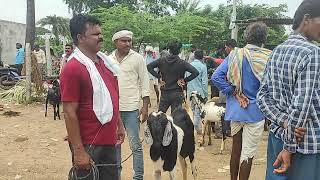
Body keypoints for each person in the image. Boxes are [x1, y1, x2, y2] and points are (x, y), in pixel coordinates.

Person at [257, 1, 320, 179]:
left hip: (277, 137)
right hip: (304, 145)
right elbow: (301, 106)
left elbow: (262, 97)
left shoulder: (276, 51)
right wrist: (289, 147)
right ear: (307, 19)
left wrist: (285, 122)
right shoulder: (312, 53)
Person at [60, 14, 125, 180]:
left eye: (100, 33)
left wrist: (119, 124)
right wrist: (79, 151)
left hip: (108, 140)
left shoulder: (104, 63)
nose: (101, 37)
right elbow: (69, 112)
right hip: (89, 143)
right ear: (80, 38)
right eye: (96, 34)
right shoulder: (73, 68)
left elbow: (112, 99)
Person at [212, 22, 271, 180]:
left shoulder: (235, 55)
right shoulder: (268, 57)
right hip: (255, 113)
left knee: (236, 150)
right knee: (248, 155)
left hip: (236, 110)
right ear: (264, 38)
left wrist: (233, 91)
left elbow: (216, 77)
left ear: (246, 37)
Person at [109, 29, 150, 180]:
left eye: (129, 41)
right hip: (113, 110)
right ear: (116, 42)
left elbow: (145, 82)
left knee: (135, 146)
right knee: (115, 144)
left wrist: (145, 106)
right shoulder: (108, 59)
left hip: (131, 109)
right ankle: (116, 175)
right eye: (124, 41)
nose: (127, 43)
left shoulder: (138, 58)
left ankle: (138, 177)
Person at [147, 41, 199, 113]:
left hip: (165, 93)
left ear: (169, 50)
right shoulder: (182, 63)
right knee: (176, 118)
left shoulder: (161, 60)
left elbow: (149, 66)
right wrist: (185, 80)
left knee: (160, 116)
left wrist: (159, 77)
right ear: (179, 51)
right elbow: (196, 72)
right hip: (177, 93)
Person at [187, 49, 208, 134]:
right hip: (199, 93)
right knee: (197, 112)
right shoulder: (203, 67)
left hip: (190, 92)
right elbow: (204, 82)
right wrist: (206, 95)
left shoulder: (189, 65)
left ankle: (191, 129)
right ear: (202, 57)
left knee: (191, 111)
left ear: (194, 56)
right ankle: (197, 129)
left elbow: (186, 79)